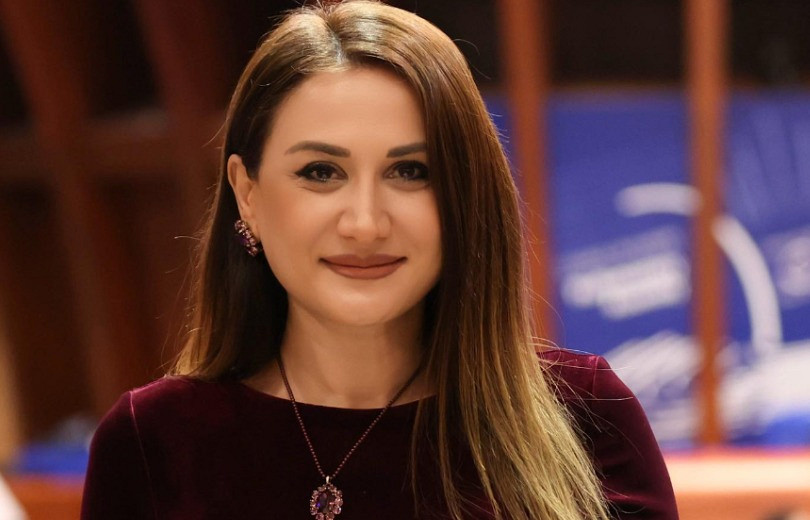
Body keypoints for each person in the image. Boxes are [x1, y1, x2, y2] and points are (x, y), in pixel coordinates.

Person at [80, 1, 678, 518]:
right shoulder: (151, 443)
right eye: (321, 172)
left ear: (466, 197)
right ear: (248, 194)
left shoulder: (589, 419)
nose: (365, 223)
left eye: (410, 171)